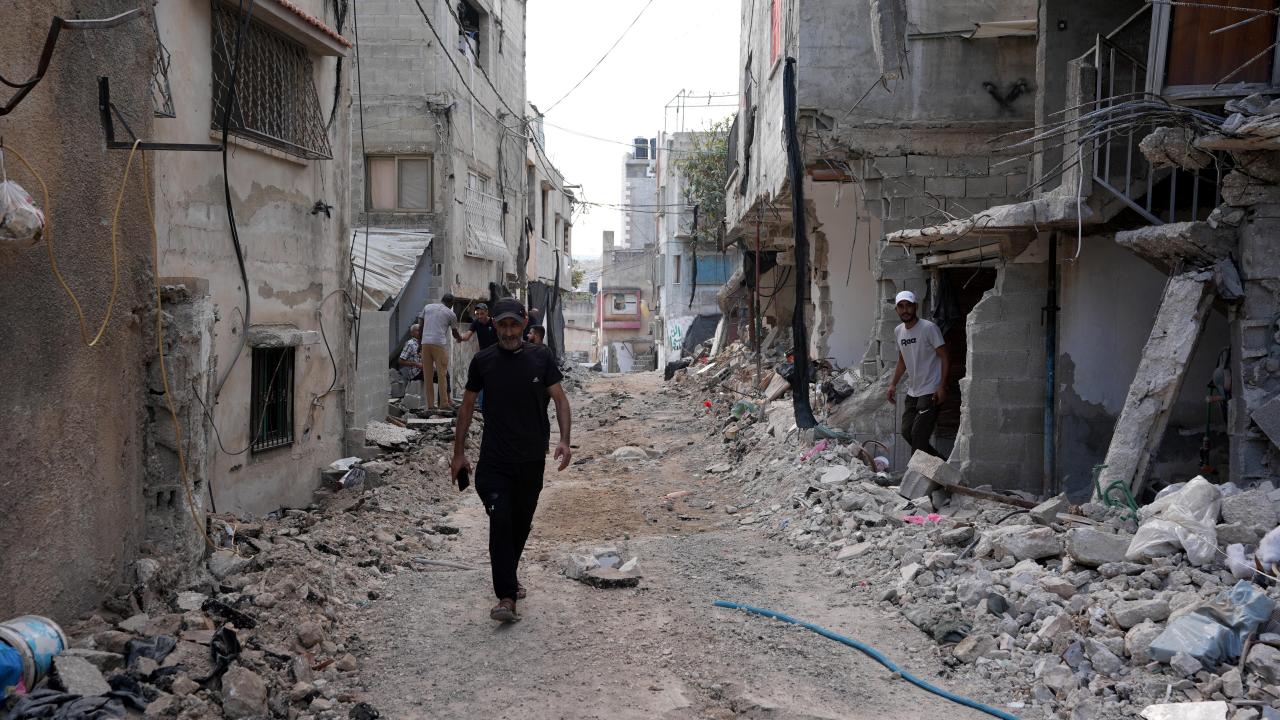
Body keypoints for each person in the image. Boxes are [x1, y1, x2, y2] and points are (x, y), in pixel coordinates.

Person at [451, 297, 572, 624]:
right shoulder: (483, 361)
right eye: (502, 325)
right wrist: (459, 453)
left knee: (520, 524)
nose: (508, 331)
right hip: (494, 460)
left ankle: (510, 575)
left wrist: (564, 440)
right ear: (494, 325)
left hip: (531, 460)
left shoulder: (541, 358)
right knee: (500, 520)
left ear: (523, 324)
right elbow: (466, 406)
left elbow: (560, 400)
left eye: (513, 325)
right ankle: (506, 596)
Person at [887, 290, 949, 459]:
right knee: (907, 432)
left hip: (931, 390)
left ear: (916, 307)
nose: (905, 310)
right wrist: (893, 384)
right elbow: (902, 360)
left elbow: (944, 356)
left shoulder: (929, 328)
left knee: (919, 437)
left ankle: (916, 473)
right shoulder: (898, 331)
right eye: (901, 306)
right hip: (913, 391)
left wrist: (942, 387)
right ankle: (941, 464)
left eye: (908, 306)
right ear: (897, 310)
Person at [417, 293, 457, 411]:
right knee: (442, 375)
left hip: (425, 343)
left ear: (442, 300)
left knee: (428, 376)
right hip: (439, 344)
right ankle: (444, 404)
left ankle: (430, 405)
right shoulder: (451, 314)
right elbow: (454, 332)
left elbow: (420, 327)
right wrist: (460, 338)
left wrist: (419, 344)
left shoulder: (428, 307)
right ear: (451, 304)